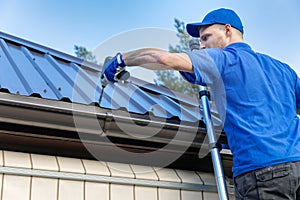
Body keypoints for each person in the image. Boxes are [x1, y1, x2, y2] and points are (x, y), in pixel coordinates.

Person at [104, 8, 300, 199]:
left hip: (261, 171)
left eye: (206, 37)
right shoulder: (282, 69)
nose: (202, 46)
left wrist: (122, 59)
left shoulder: (223, 59)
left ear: (228, 30)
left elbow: (163, 59)